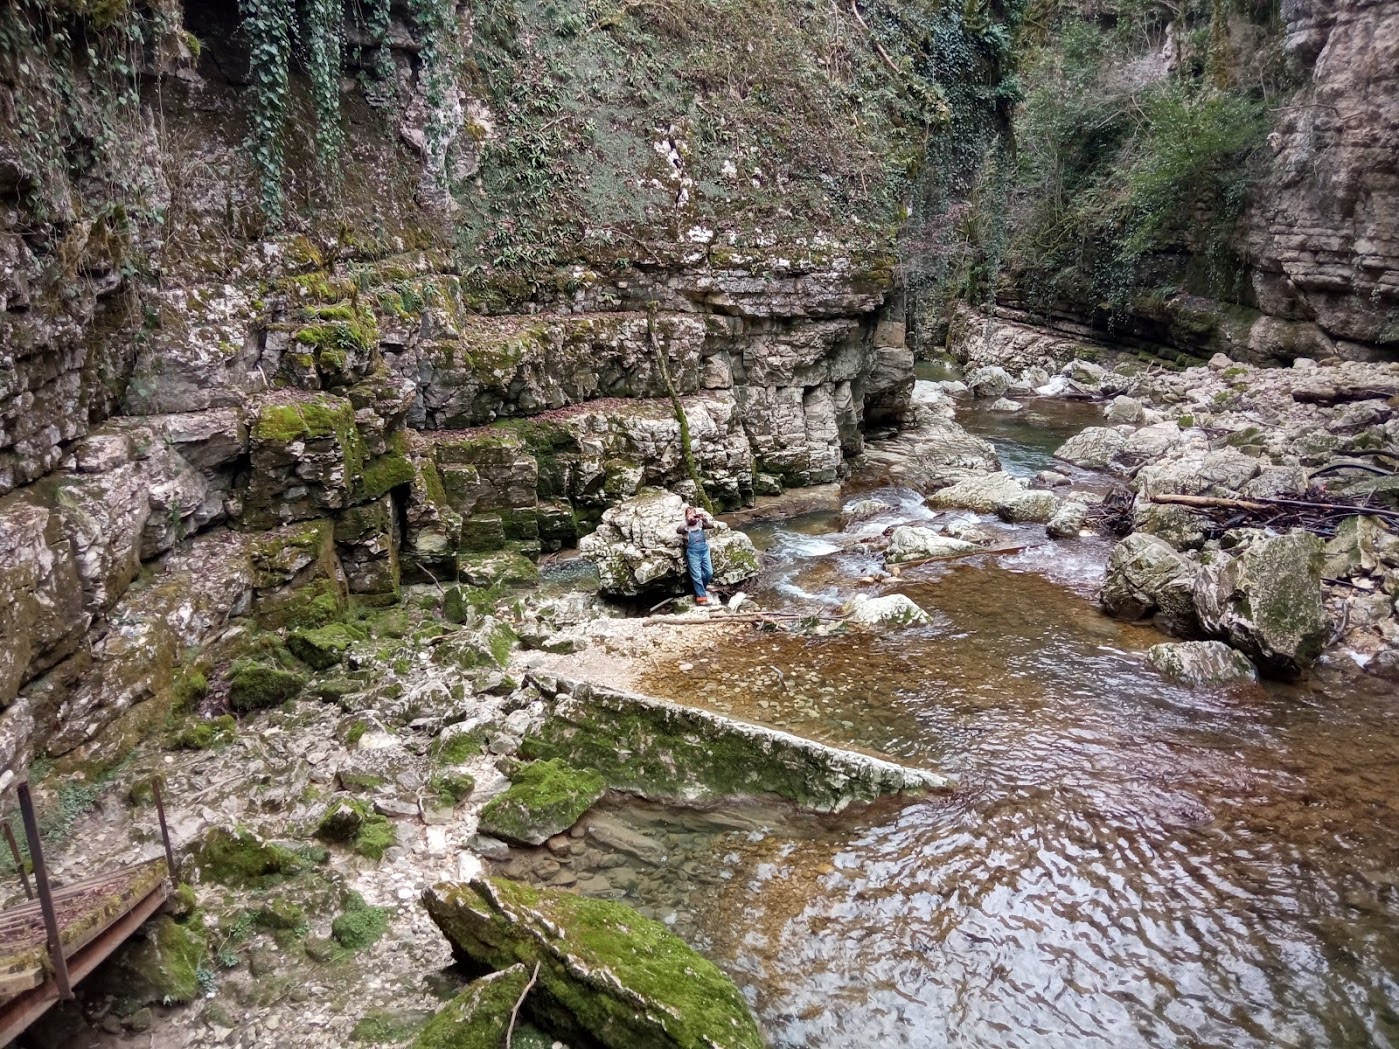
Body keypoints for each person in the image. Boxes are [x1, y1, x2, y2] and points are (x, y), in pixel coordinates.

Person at [675, 504, 716, 605]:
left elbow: (711, 526)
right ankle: (701, 598)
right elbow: (678, 530)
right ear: (686, 516)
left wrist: (704, 519)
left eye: (694, 513)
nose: (693, 515)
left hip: (704, 550)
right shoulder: (685, 526)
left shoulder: (700, 523)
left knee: (709, 572)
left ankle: (700, 588)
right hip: (693, 552)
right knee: (696, 576)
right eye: (690, 514)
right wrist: (687, 521)